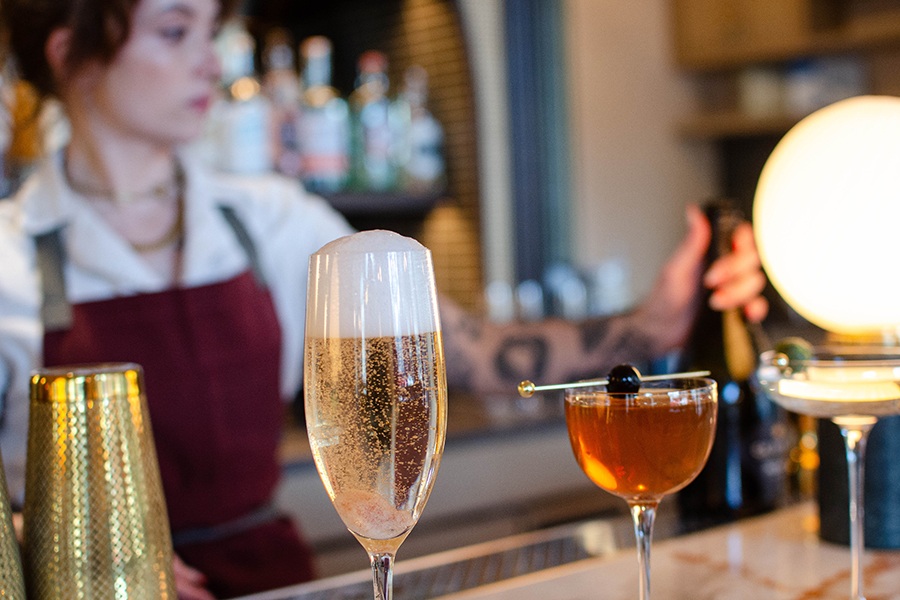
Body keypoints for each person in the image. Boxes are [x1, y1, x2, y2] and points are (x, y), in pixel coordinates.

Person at [0, 0, 768, 597]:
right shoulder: (10, 252)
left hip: (281, 585)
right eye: (175, 33)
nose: (209, 62)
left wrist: (650, 324)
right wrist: (64, 537)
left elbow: (468, 354)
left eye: (211, 31)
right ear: (73, 56)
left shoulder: (269, 218)